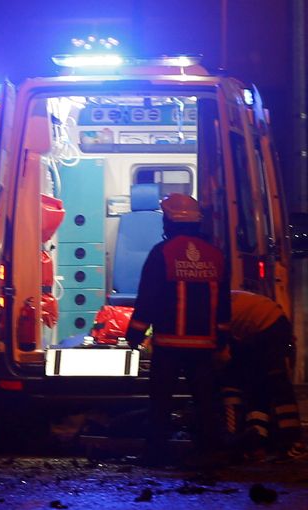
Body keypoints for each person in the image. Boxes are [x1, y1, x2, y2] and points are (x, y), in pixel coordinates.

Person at [124, 193, 230, 467]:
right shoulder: (216, 255)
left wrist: (135, 333)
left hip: (169, 345)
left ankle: (157, 452)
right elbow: (224, 303)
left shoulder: (163, 253)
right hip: (204, 347)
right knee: (206, 401)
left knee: (160, 401)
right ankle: (210, 452)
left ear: (169, 221)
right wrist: (222, 338)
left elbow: (149, 296)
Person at [219, 290, 306, 460]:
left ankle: (282, 440)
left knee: (264, 385)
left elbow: (220, 353)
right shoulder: (226, 300)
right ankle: (268, 438)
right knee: (266, 384)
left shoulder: (212, 311)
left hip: (267, 330)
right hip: (273, 323)